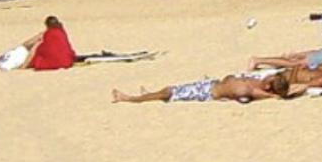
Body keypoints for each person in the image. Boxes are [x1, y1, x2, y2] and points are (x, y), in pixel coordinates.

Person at [0, 16, 76, 71]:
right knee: (8, 56)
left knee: (5, 58)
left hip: (36, 60)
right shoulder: (61, 33)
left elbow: (33, 49)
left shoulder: (46, 35)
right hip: (64, 62)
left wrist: (24, 67)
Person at [111, 71, 292, 105]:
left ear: (269, 85)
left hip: (205, 92)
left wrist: (274, 95)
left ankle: (130, 99)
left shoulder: (253, 90)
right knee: (173, 89)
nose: (269, 75)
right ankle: (150, 95)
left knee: (169, 92)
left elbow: (274, 97)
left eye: (272, 77)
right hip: (209, 84)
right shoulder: (258, 83)